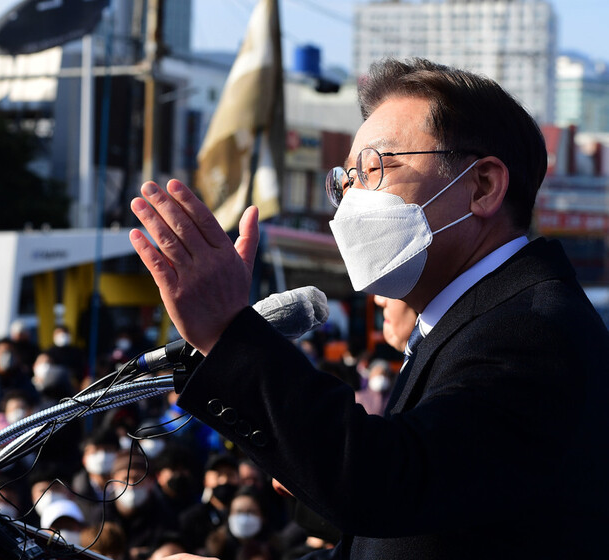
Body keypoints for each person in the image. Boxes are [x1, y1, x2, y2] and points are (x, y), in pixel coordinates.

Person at [128, 58, 609, 557]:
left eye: (375, 168)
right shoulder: (462, 326)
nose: (350, 198)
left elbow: (388, 485)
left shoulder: (531, 328)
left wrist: (230, 331)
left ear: (483, 186)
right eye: (346, 178)